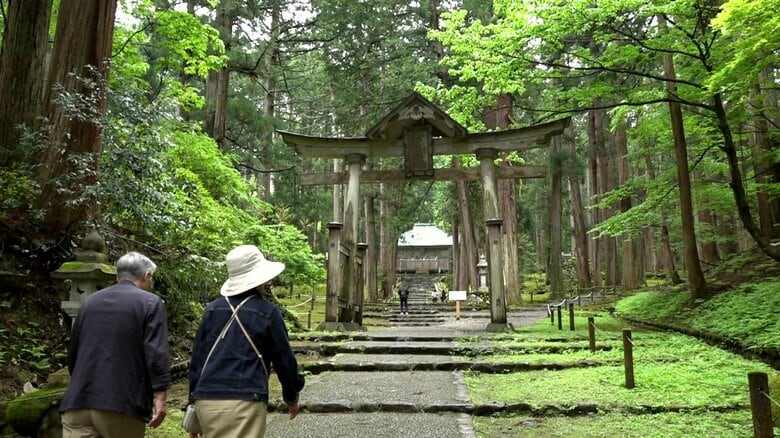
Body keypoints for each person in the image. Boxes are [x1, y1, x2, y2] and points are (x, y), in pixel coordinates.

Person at [188, 244, 305, 437]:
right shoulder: (267, 312)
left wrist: (192, 403)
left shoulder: (211, 310)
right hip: (246, 399)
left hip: (207, 400)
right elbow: (283, 359)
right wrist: (291, 396)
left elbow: (198, 360)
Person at [60, 251, 171, 437]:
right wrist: (160, 396)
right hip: (120, 404)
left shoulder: (90, 302)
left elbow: (74, 352)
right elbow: (156, 353)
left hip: (77, 402)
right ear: (146, 276)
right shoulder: (150, 302)